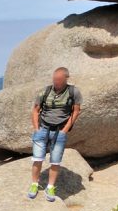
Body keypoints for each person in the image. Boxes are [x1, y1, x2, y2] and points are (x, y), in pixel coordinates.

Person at [28, 67, 83, 202]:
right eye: (54, 79)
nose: (56, 82)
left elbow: (76, 111)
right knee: (37, 158)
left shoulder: (73, 92)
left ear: (66, 79)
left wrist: (66, 129)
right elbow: (35, 110)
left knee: (55, 160)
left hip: (60, 130)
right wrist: (36, 128)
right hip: (43, 128)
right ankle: (34, 184)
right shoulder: (45, 91)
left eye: (59, 79)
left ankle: (50, 187)